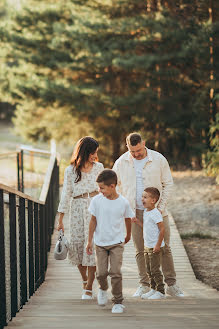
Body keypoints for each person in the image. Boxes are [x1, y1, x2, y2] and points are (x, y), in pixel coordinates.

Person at [113, 132, 184, 297]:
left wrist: (160, 207)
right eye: (133, 151)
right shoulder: (120, 162)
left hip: (158, 211)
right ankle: (145, 285)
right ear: (127, 147)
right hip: (134, 212)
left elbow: (168, 184)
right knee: (140, 249)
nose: (137, 154)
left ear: (144, 143)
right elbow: (116, 187)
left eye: (139, 150)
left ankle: (172, 285)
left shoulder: (159, 159)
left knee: (164, 248)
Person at [57, 136, 104, 300]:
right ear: (84, 152)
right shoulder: (70, 170)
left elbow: (104, 192)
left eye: (96, 153)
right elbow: (66, 194)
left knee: (92, 246)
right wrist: (60, 219)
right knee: (77, 245)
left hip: (94, 208)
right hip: (76, 209)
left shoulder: (99, 167)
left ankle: (89, 288)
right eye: (92, 153)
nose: (94, 156)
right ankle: (85, 279)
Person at [86, 169, 134, 313]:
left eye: (102, 188)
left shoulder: (123, 202)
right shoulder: (97, 201)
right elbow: (93, 221)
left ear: (112, 186)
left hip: (116, 243)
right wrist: (89, 241)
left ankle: (118, 302)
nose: (99, 190)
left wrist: (128, 235)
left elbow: (128, 219)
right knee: (101, 273)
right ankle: (102, 288)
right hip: (100, 243)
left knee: (115, 272)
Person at [132, 187, 165, 300]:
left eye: (145, 197)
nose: (142, 199)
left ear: (153, 200)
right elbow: (146, 227)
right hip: (147, 246)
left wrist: (158, 245)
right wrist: (138, 222)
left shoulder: (155, 213)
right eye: (142, 196)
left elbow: (162, 229)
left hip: (155, 247)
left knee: (155, 270)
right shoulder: (146, 211)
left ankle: (161, 291)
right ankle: (153, 289)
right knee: (149, 270)